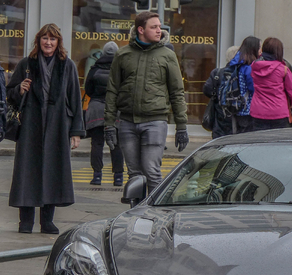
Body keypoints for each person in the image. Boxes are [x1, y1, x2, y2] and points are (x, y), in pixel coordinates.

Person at [7, 23, 84, 234]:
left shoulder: (67, 65)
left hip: (57, 125)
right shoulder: (26, 64)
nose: (48, 42)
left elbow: (75, 99)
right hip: (30, 125)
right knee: (27, 171)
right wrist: (19, 89)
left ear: (58, 42)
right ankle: (26, 221)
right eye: (44, 38)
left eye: (52, 39)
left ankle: (47, 221)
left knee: (53, 170)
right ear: (38, 41)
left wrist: (76, 131)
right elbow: (9, 94)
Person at [104, 11, 188, 193]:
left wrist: (181, 126)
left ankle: (152, 215)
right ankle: (135, 215)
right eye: (154, 27)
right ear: (141, 29)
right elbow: (112, 91)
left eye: (160, 26)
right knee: (134, 175)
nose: (160, 30)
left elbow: (177, 92)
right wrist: (109, 124)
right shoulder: (123, 54)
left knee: (152, 172)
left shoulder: (167, 55)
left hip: (155, 122)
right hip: (126, 122)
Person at [84, 41, 125, 186]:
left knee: (96, 144)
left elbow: (87, 89)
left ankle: (97, 176)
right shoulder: (122, 69)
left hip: (96, 109)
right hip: (115, 110)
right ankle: (118, 177)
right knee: (116, 144)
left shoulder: (95, 69)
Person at [250, 37, 292, 131]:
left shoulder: (254, 67)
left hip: (258, 111)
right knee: (278, 143)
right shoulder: (283, 69)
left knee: (259, 143)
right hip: (279, 112)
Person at [222, 36, 260, 134]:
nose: (261, 51)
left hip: (237, 107)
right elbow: (253, 89)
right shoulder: (248, 68)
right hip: (247, 110)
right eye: (259, 48)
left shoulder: (237, 64)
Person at [202, 46, 239, 138]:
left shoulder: (217, 72)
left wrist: (217, 97)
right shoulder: (241, 73)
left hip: (220, 117)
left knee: (219, 145)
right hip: (237, 117)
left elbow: (207, 90)